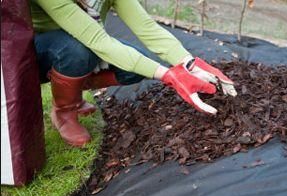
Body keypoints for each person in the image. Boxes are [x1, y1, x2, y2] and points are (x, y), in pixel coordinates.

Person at [30, 0, 237, 147]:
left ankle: (72, 85)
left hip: (84, 40)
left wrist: (189, 63)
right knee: (77, 50)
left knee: (134, 67)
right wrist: (169, 76)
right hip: (38, 54)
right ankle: (64, 111)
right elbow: (98, 42)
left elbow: (146, 28)